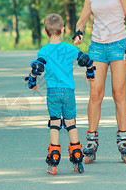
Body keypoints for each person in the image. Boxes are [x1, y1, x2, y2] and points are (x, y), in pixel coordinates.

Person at [72, 0, 126, 164]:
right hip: (97, 48)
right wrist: (78, 32)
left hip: (119, 45)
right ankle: (91, 140)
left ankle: (123, 138)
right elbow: (82, 18)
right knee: (95, 94)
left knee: (118, 93)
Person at [25, 13, 96, 175]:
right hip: (69, 92)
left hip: (53, 93)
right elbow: (86, 60)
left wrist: (32, 82)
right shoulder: (70, 49)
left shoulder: (44, 51)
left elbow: (37, 67)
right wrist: (90, 74)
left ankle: (54, 156)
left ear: (45, 32)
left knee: (55, 123)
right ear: (63, 30)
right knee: (71, 123)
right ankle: (77, 156)